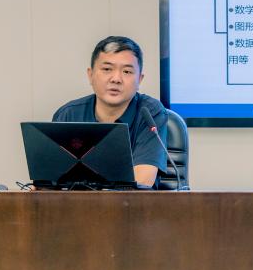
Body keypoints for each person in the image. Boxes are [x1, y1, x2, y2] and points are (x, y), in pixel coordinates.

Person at [53, 36, 169, 188]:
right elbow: (51, 178)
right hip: (75, 202)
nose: (116, 79)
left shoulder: (150, 113)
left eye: (127, 71)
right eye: (107, 69)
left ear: (140, 79)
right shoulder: (69, 114)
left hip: (132, 203)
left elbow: (142, 181)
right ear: (90, 75)